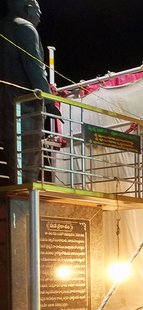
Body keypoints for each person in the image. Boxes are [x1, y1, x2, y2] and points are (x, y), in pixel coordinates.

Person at [0, 0, 58, 184]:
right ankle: (25, 202)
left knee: (12, 154)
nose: (40, 16)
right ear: (28, 8)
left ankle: (16, 199)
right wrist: (49, 101)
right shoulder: (25, 28)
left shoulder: (3, 26)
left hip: (5, 100)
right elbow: (35, 68)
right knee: (28, 156)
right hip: (25, 104)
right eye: (38, 11)